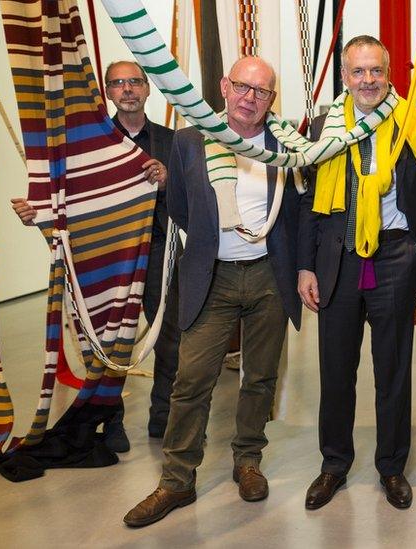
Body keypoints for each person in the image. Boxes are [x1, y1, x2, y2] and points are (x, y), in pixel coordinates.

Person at [123, 56, 303, 527]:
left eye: (262, 91)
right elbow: (181, 207)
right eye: (243, 87)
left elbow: (297, 213)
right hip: (212, 276)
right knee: (191, 381)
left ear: (272, 98)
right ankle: (176, 480)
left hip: (269, 276)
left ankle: (248, 461)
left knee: (260, 378)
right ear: (225, 87)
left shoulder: (282, 145)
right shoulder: (189, 140)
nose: (251, 98)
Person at [296, 35, 416, 511]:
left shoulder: (415, 123)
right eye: (357, 72)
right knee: (336, 371)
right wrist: (305, 265)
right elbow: (307, 205)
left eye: (375, 71)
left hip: (395, 256)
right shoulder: (322, 126)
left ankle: (391, 467)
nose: (367, 80)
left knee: (394, 371)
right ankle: (334, 465)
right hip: (338, 259)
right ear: (345, 76)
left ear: (389, 74)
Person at [10, 60, 180, 450]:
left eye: (134, 82)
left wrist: (168, 181)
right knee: (107, 341)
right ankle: (111, 421)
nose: (127, 90)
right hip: (107, 256)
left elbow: (193, 202)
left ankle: (165, 416)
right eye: (118, 83)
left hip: (159, 252)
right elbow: (67, 199)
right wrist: (35, 214)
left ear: (147, 88)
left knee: (171, 338)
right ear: (106, 91)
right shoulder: (89, 145)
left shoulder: (173, 142)